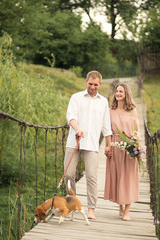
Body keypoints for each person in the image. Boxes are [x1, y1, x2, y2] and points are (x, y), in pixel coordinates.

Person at [64, 70, 112, 220]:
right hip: (74, 142)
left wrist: (108, 145)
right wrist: (77, 129)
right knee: (68, 174)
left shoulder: (103, 101)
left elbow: (106, 125)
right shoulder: (76, 97)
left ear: (100, 84)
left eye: (95, 84)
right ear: (86, 82)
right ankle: (72, 204)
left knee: (91, 176)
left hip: (91, 144)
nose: (93, 87)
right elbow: (71, 117)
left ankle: (91, 209)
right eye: (90, 84)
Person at [104, 83, 140, 221]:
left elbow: (137, 131)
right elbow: (107, 131)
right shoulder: (110, 111)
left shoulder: (133, 110)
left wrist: (137, 147)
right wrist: (107, 147)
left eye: (121, 91)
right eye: (117, 91)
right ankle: (120, 205)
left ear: (126, 94)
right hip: (115, 144)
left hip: (129, 146)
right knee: (118, 176)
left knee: (128, 178)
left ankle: (127, 211)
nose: (118, 93)